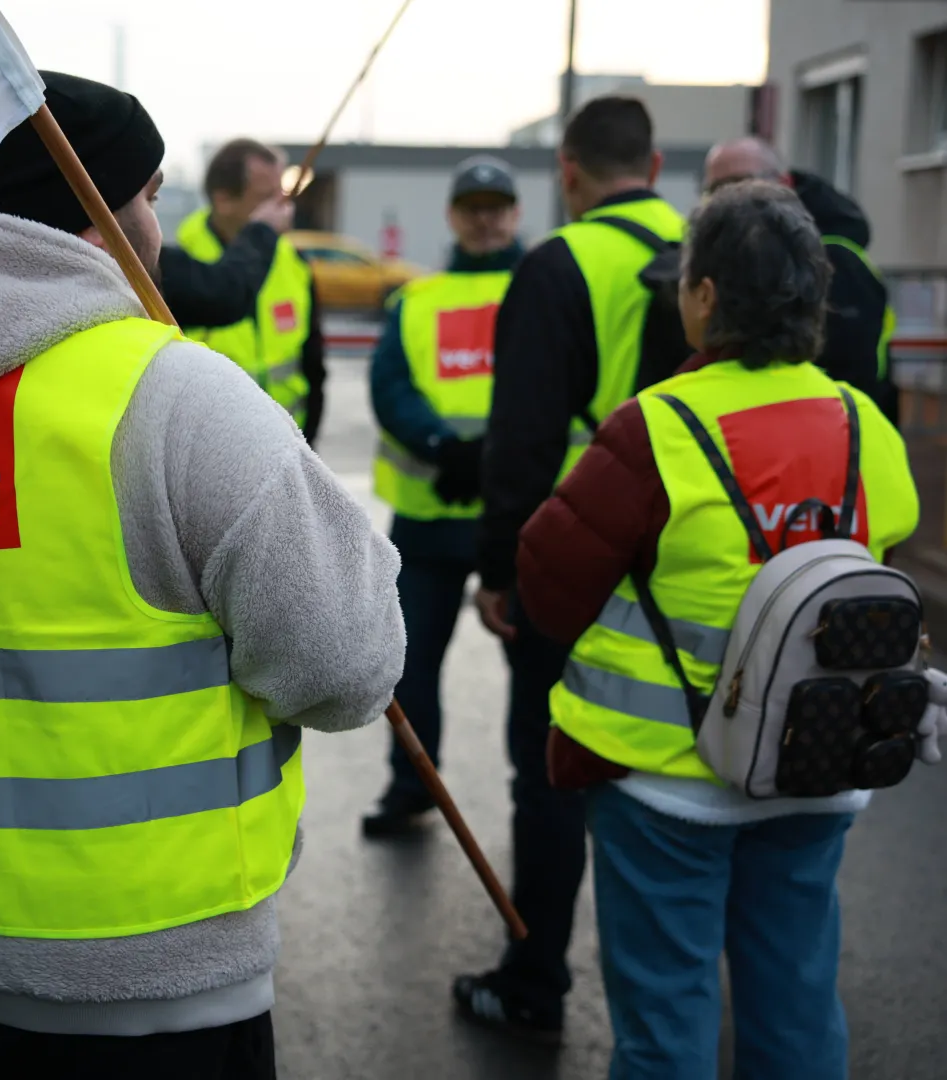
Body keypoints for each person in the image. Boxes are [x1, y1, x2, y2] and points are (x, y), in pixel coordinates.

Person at [0, 71, 405, 1080]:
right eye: (146, 195)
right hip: (167, 987)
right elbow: (345, 666)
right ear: (91, 221)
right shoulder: (178, 402)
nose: (160, 224)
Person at [515, 180, 920, 1079]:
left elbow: (545, 583)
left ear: (703, 298)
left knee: (667, 1023)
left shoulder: (657, 427)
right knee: (796, 1007)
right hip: (815, 765)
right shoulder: (864, 425)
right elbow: (876, 553)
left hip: (668, 784)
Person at [461, 95, 690, 1040]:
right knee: (686, 783)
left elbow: (519, 439)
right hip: (696, 560)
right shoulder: (719, 247)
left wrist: (501, 569)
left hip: (577, 562)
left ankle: (535, 978)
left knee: (551, 772)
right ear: (657, 160)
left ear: (565, 170)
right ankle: (687, 993)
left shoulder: (558, 266)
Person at [361, 155, 525, 837]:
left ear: (514, 213)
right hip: (431, 516)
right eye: (472, 206)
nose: (484, 218)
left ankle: (541, 788)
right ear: (453, 216)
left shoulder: (540, 289)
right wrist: (442, 448)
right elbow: (390, 387)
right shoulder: (417, 301)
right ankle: (412, 786)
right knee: (407, 668)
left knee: (534, 670)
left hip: (516, 517)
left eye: (496, 206)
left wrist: (487, 458)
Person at [704, 136, 899, 422]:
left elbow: (852, 366)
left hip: (839, 430)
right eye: (716, 189)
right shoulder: (732, 250)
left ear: (783, 183)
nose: (729, 198)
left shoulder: (836, 259)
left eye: (742, 182)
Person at [174, 139, 328, 445]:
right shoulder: (181, 270)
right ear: (223, 200)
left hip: (286, 449)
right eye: (266, 198)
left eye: (282, 195)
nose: (282, 208)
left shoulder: (294, 263)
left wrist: (306, 446)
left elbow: (314, 368)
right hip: (208, 457)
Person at [157, 193, 294, 328]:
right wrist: (263, 230)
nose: (281, 212)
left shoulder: (294, 261)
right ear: (223, 201)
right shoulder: (185, 248)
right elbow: (222, 296)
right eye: (265, 201)